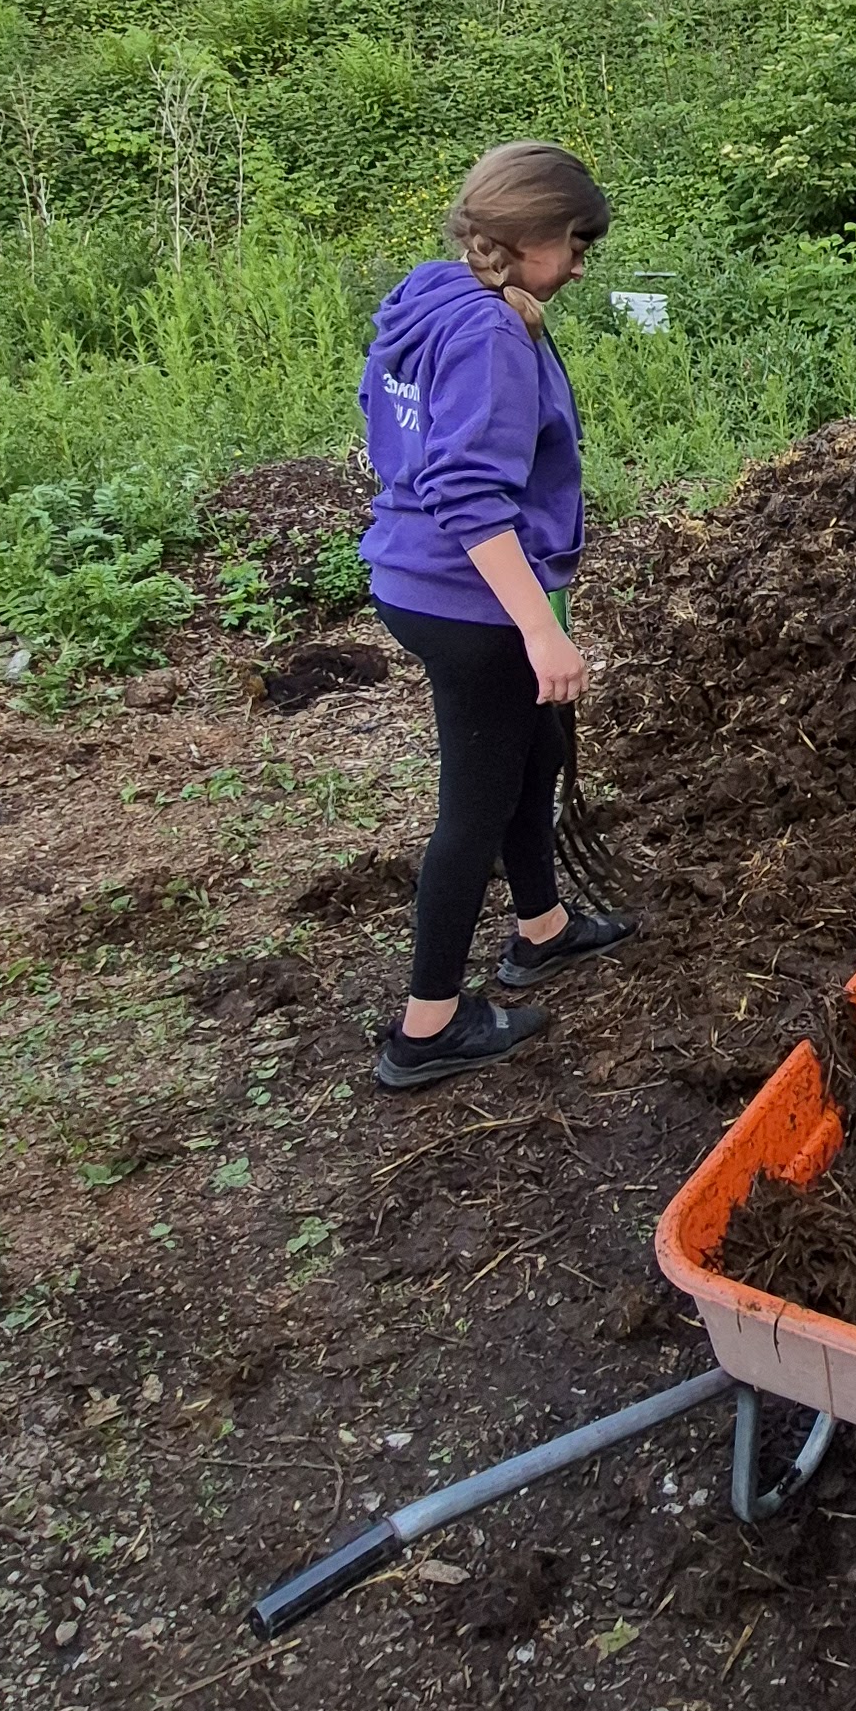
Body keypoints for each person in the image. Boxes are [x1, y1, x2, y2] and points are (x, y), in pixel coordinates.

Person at [358, 143, 634, 1092]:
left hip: (414, 575)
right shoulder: (490, 336)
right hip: (467, 597)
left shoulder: (432, 295)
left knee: (535, 752)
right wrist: (541, 631)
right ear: (524, 239)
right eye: (574, 246)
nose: (581, 265)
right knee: (473, 807)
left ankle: (542, 928)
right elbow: (472, 497)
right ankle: (427, 1026)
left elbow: (391, 424)